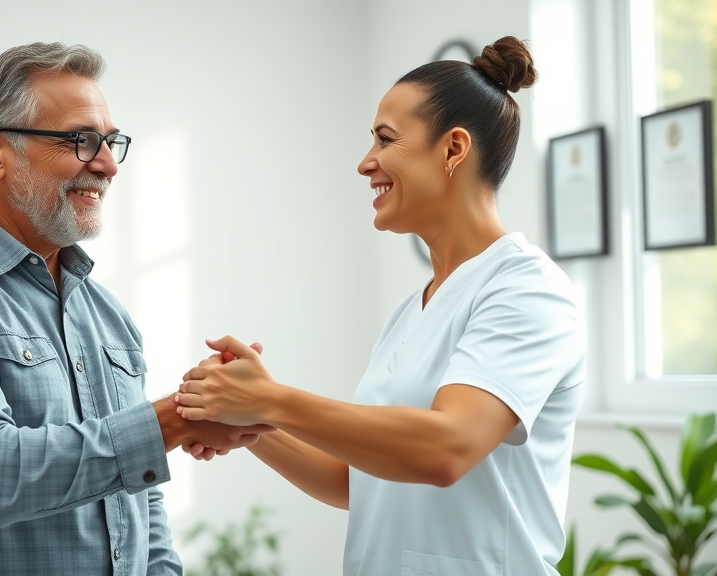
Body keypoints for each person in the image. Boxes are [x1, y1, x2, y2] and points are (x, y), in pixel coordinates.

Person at [0, 42, 270, 576]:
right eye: (81, 140)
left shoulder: (106, 313)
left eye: (111, 142)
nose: (107, 165)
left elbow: (139, 502)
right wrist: (178, 418)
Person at [175, 36, 585, 576]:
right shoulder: (411, 312)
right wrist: (247, 421)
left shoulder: (527, 289)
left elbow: (446, 448)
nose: (366, 163)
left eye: (386, 140)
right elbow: (356, 482)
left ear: (453, 149)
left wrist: (271, 400)